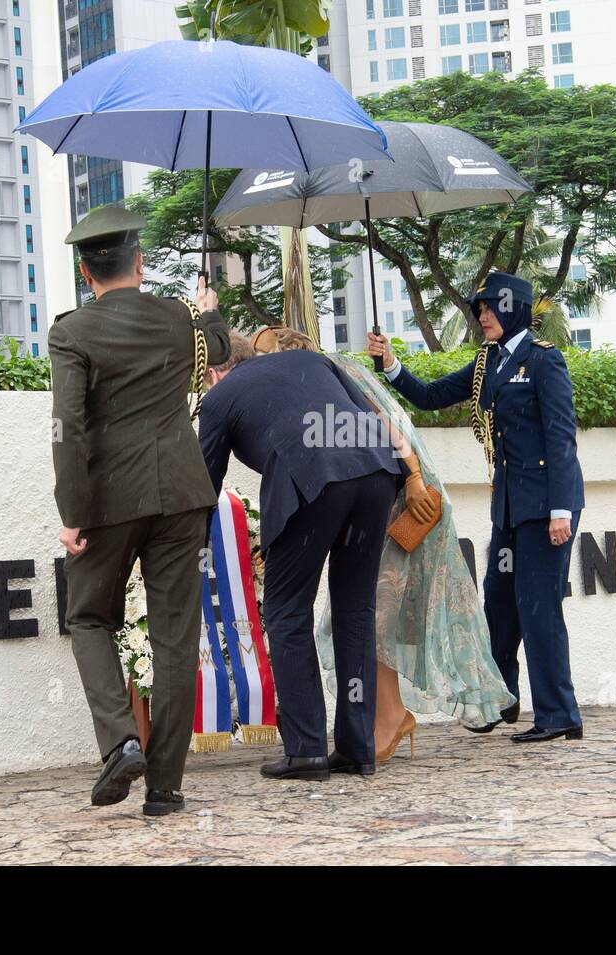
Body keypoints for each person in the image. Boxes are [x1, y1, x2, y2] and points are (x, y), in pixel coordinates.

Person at [251, 326, 515, 761]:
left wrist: (411, 477)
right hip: (385, 495)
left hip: (402, 501)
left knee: (369, 611)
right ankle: (386, 716)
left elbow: (388, 424)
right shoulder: (322, 376)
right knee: (364, 612)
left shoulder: (333, 372)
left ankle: (389, 717)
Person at [50, 206, 231, 815]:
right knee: (175, 639)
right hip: (183, 494)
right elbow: (223, 344)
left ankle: (122, 740)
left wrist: (72, 510)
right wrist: (208, 311)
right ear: (140, 263)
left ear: (85, 270)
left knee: (88, 617)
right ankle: (166, 788)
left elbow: (69, 428)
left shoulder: (71, 331)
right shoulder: (180, 319)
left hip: (109, 500)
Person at [367, 271, 587, 743]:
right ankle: (500, 700)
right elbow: (430, 396)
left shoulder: (543, 362)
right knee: (500, 607)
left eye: (489, 308)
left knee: (538, 609)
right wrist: (390, 366)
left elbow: (562, 438)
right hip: (508, 506)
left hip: (547, 505)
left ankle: (559, 713)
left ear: (512, 309)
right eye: (479, 309)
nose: (482, 316)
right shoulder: (490, 362)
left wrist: (562, 512)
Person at [197, 335, 416, 780]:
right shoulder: (311, 360)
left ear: (215, 371)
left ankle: (306, 750)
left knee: (286, 613)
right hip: (377, 473)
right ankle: (358, 748)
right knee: (355, 611)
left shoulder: (219, 397)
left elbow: (204, 486)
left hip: (315, 480)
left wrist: (192, 549)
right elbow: (375, 414)